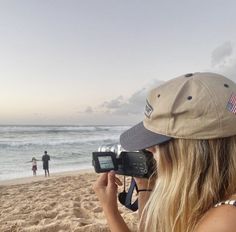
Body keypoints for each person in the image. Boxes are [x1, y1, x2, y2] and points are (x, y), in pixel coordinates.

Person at [93, 72, 236, 232]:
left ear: (192, 148)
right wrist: (145, 186)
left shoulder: (225, 221)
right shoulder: (221, 197)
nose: (148, 148)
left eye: (158, 140)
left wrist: (109, 210)